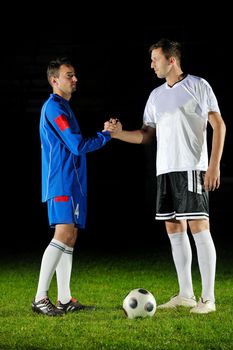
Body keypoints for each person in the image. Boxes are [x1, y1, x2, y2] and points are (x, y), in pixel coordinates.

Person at [105, 38, 226, 314]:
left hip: (192, 168)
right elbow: (147, 136)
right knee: (173, 228)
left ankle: (208, 299)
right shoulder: (155, 96)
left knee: (199, 227)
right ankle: (186, 294)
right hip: (165, 171)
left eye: (155, 59)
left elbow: (218, 125)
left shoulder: (198, 86)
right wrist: (118, 133)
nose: (152, 65)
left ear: (171, 60)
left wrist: (214, 165)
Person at [32, 56, 116, 316]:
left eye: (74, 74)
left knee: (70, 237)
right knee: (62, 235)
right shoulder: (54, 108)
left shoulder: (63, 107)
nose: (75, 79)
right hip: (62, 183)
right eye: (69, 75)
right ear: (54, 80)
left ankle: (65, 299)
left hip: (73, 183)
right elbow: (77, 145)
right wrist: (106, 134)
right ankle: (40, 298)